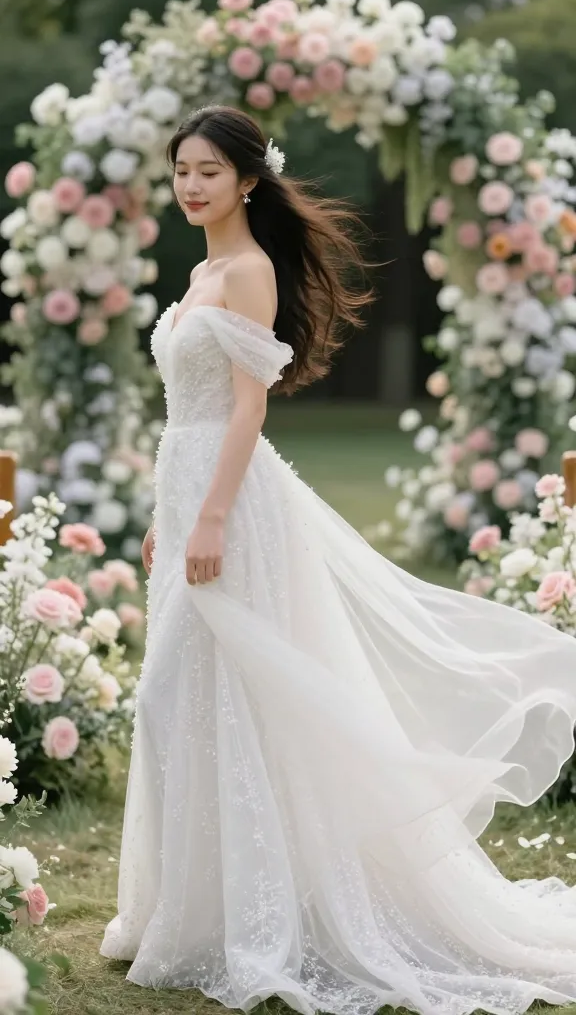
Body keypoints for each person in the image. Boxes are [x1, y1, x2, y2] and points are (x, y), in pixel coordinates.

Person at [100, 104, 576, 1015]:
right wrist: (172, 516)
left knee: (210, 695)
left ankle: (273, 913)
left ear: (247, 178)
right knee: (186, 700)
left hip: (233, 504)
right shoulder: (202, 270)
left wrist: (210, 517)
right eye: (180, 171)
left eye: (207, 170)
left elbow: (247, 410)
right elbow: (188, 415)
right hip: (191, 490)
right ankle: (197, 912)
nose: (190, 185)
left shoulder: (248, 271)